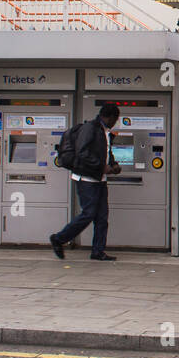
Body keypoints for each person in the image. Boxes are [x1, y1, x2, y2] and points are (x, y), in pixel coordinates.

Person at [50, 103, 122, 261]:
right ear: (110, 117)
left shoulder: (105, 132)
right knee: (89, 213)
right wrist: (101, 166)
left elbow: (105, 152)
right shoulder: (90, 128)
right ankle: (59, 238)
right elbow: (82, 152)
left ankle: (98, 251)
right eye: (115, 119)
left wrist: (113, 164)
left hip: (99, 179)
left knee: (102, 217)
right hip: (86, 179)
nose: (115, 122)